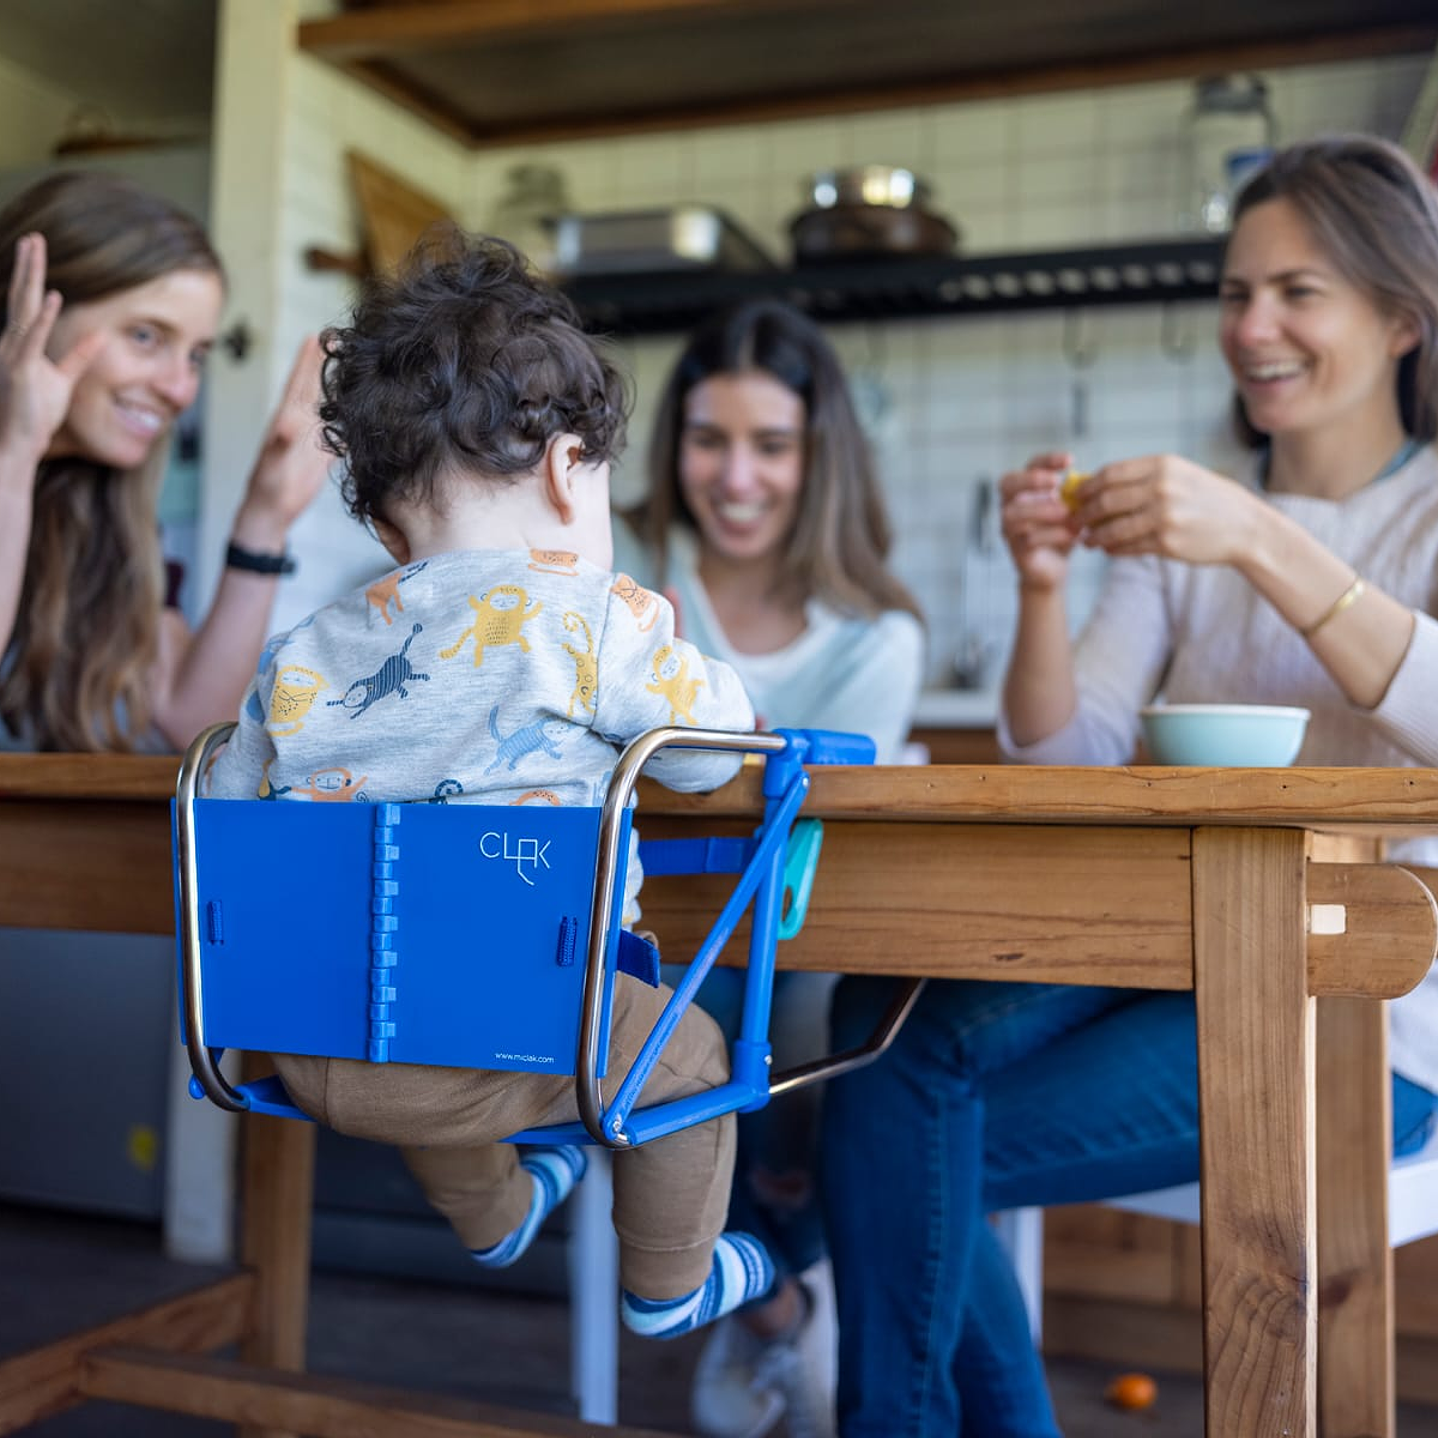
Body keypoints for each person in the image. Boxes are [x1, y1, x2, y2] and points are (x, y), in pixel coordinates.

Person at [821, 132, 1438, 1437]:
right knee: (881, 1027)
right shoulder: (1185, 530)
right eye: (1232, 292)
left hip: (1371, 1005)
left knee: (886, 1127)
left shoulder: (1395, 512)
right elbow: (1066, 758)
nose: (1251, 325)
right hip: (1166, 943)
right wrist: (1040, 588)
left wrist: (1259, 538)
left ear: (1399, 316)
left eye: (1295, 291)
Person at [203, 228, 777, 1341]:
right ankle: (670, 1286)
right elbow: (710, 755)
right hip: (514, 1040)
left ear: (378, 521)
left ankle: (497, 1213)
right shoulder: (594, 619)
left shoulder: (301, 651)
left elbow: (227, 821)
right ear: (569, 469)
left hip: (311, 1046)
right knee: (686, 1052)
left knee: (394, 968)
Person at [617, 299, 925, 1437]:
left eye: (771, 445)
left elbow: (794, 822)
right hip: (628, 925)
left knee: (802, 1031)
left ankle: (772, 1282)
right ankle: (777, 1309)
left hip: (783, 939)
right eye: (708, 440)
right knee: (621, 1027)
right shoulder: (620, 566)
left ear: (818, 456)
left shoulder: (875, 636)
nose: (734, 477)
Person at [0, 169, 329, 754]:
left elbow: (196, 726)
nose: (181, 390)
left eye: (197, 354)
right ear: (29, 314)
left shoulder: (97, 502)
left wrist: (264, 522)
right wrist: (14, 447)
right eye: (147, 337)